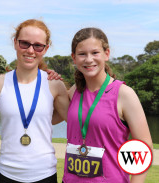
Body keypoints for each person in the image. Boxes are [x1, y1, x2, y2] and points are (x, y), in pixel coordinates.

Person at [60, 27, 153, 183]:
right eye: (82, 54)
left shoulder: (124, 94)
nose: (88, 59)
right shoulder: (74, 91)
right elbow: (50, 115)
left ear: (106, 54)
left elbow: (143, 146)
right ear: (74, 58)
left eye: (95, 53)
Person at [0, 19, 69, 183]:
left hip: (45, 175)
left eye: (38, 45)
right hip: (7, 174)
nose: (30, 50)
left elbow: (74, 120)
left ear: (46, 49)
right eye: (24, 43)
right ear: (15, 43)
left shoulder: (55, 85)